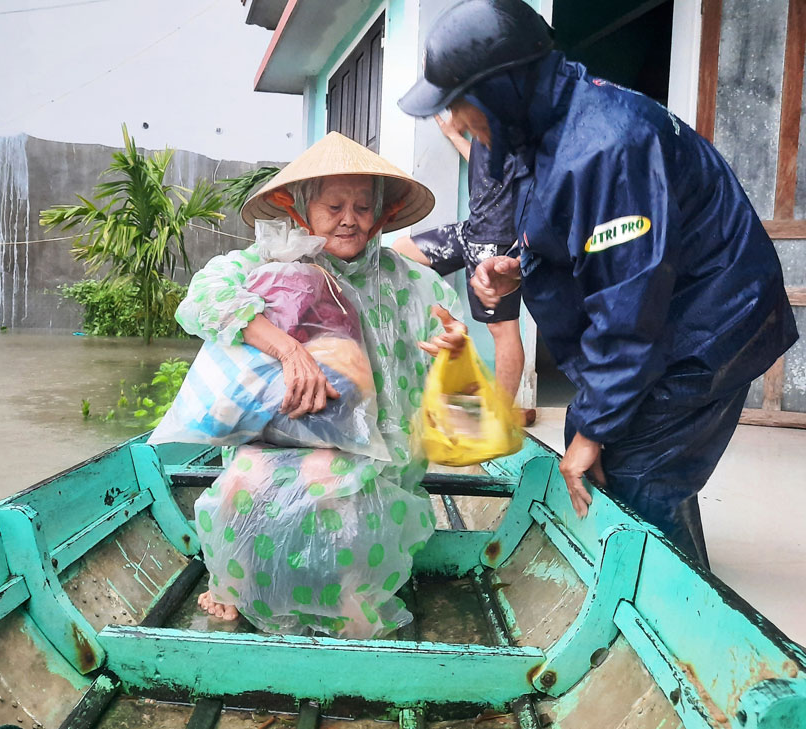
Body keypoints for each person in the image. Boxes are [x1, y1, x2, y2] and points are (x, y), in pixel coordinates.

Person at [398, 0, 798, 565]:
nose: (459, 126)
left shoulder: (608, 145)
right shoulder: (542, 133)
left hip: (708, 328)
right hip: (666, 319)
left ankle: (678, 632)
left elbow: (630, 301)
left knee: (628, 474)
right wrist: (519, 266)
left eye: (463, 109)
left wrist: (592, 429)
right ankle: (665, 576)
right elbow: (580, 239)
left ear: (504, 90)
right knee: (611, 463)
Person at [173, 132, 469, 637]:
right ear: (301, 209)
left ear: (381, 213)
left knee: (343, 491)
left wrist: (455, 349)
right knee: (244, 479)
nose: (348, 219)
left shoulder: (416, 283)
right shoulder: (273, 266)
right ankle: (236, 586)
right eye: (333, 206)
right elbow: (203, 296)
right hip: (282, 436)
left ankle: (354, 596)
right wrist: (285, 349)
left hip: (382, 448)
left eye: (361, 206)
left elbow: (452, 352)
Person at [391, 110, 531, 422]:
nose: (450, 111)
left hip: (496, 240)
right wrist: (455, 137)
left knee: (501, 327)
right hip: (469, 231)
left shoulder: (508, 127)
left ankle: (502, 414)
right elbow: (486, 170)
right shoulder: (481, 132)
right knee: (399, 253)